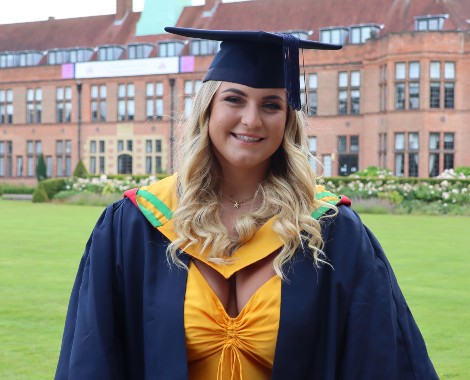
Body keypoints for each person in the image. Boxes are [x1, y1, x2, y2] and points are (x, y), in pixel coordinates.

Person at [55, 27, 439, 380]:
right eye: (234, 100)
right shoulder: (136, 224)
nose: (252, 119)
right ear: (207, 110)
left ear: (288, 120)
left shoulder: (331, 231)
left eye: (271, 105)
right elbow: (94, 356)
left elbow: (376, 359)